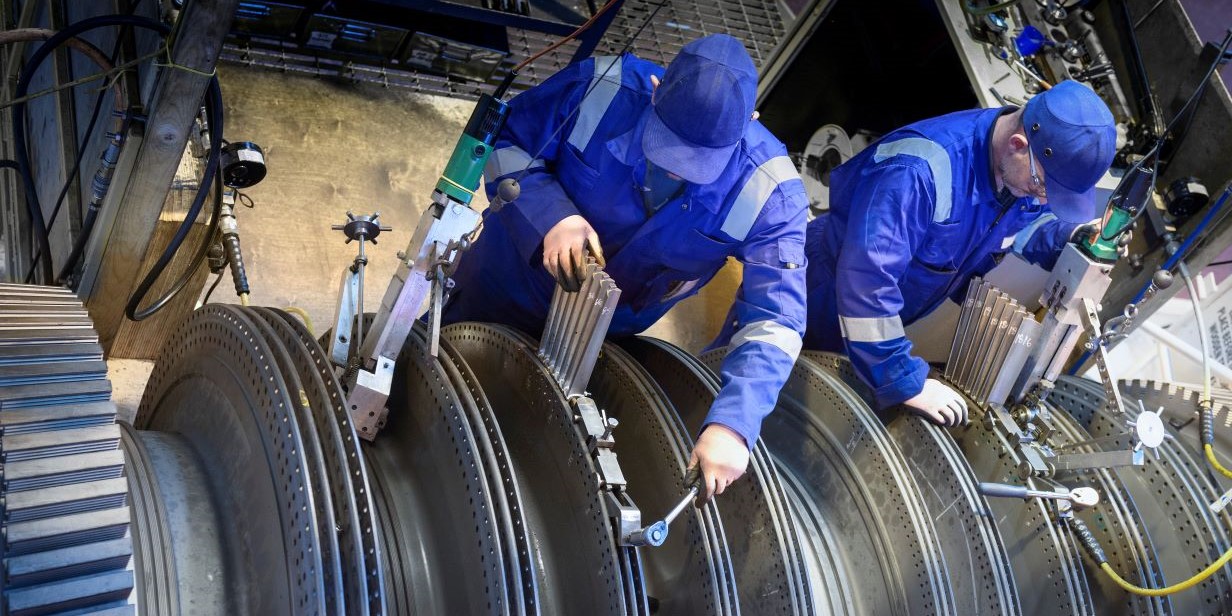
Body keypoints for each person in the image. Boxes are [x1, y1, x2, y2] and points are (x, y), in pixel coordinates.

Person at [443, 34, 808, 503]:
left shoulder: (772, 193)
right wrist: (549, 216)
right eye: (669, 146)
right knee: (440, 372)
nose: (677, 170)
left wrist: (735, 424)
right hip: (501, 280)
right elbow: (508, 144)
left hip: (602, 332)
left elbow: (775, 320)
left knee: (521, 436)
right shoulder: (601, 88)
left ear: (751, 124)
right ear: (655, 88)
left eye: (699, 162)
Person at [802, 80, 1117, 426]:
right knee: (768, 411)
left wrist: (1072, 236)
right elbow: (866, 286)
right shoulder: (917, 173)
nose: (1042, 200)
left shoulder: (1017, 172)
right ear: (1018, 145)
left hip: (870, 321)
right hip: (813, 298)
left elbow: (1016, 226)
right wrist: (905, 381)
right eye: (1042, 186)